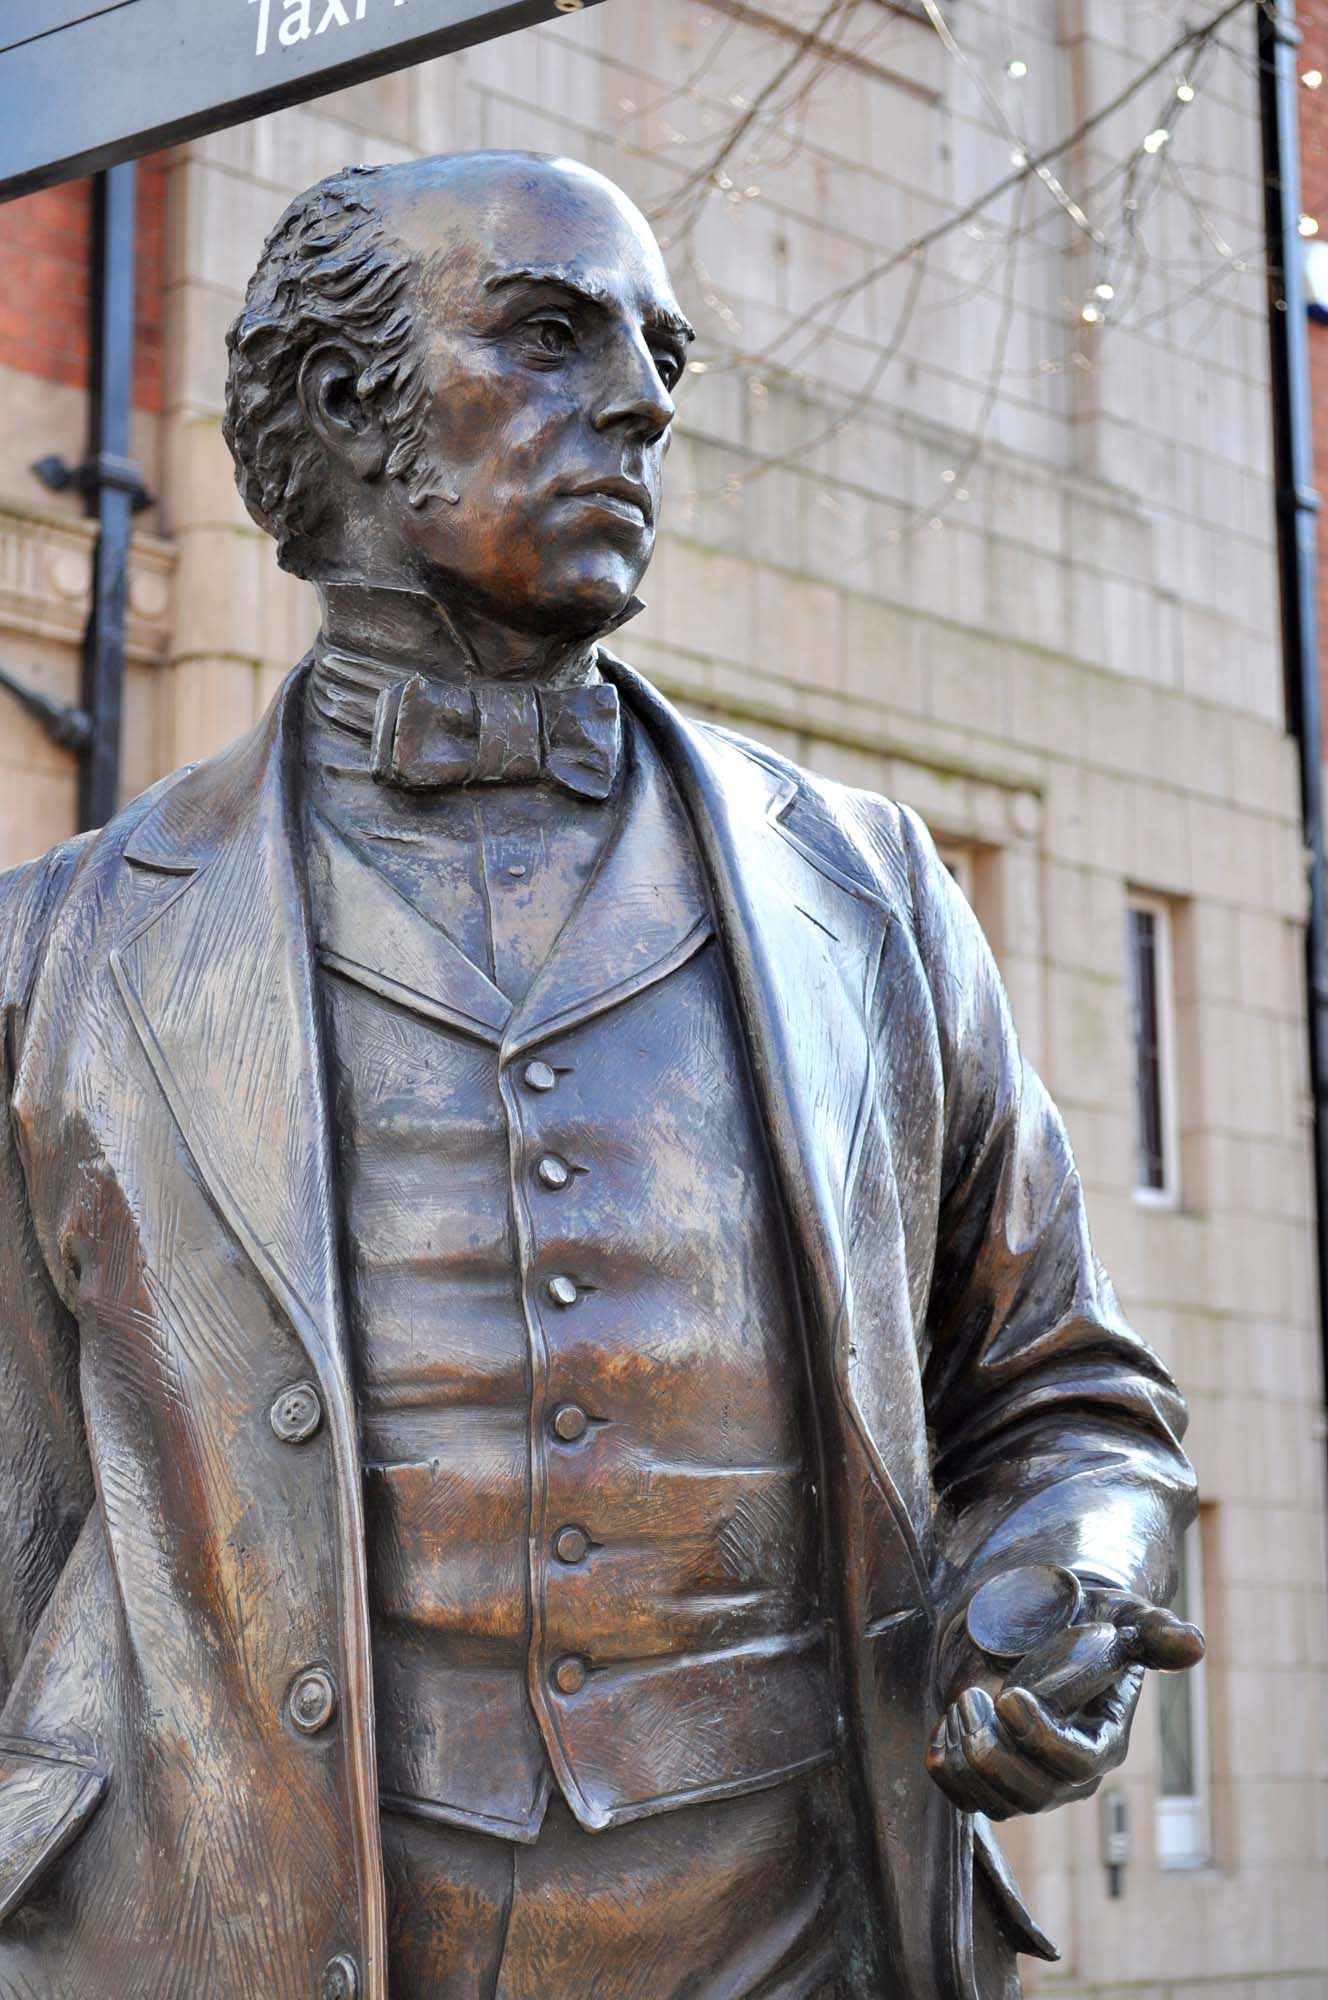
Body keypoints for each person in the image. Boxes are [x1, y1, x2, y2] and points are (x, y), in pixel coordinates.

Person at [0, 152, 1199, 2000]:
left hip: (786, 1937)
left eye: (661, 355)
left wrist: (1071, 1572)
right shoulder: (58, 956)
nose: (639, 400)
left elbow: (1071, 1395)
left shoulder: (864, 900)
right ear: (343, 405)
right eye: (551, 335)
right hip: (228, 1932)